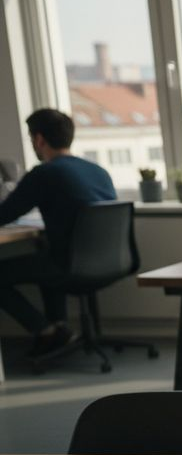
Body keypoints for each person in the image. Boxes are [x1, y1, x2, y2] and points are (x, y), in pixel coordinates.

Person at [0, 108, 116, 356]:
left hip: (72, 264)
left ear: (39, 140)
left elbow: (5, 214)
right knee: (45, 250)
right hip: (111, 261)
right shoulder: (98, 170)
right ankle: (59, 327)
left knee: (42, 260)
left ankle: (45, 330)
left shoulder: (44, 173)